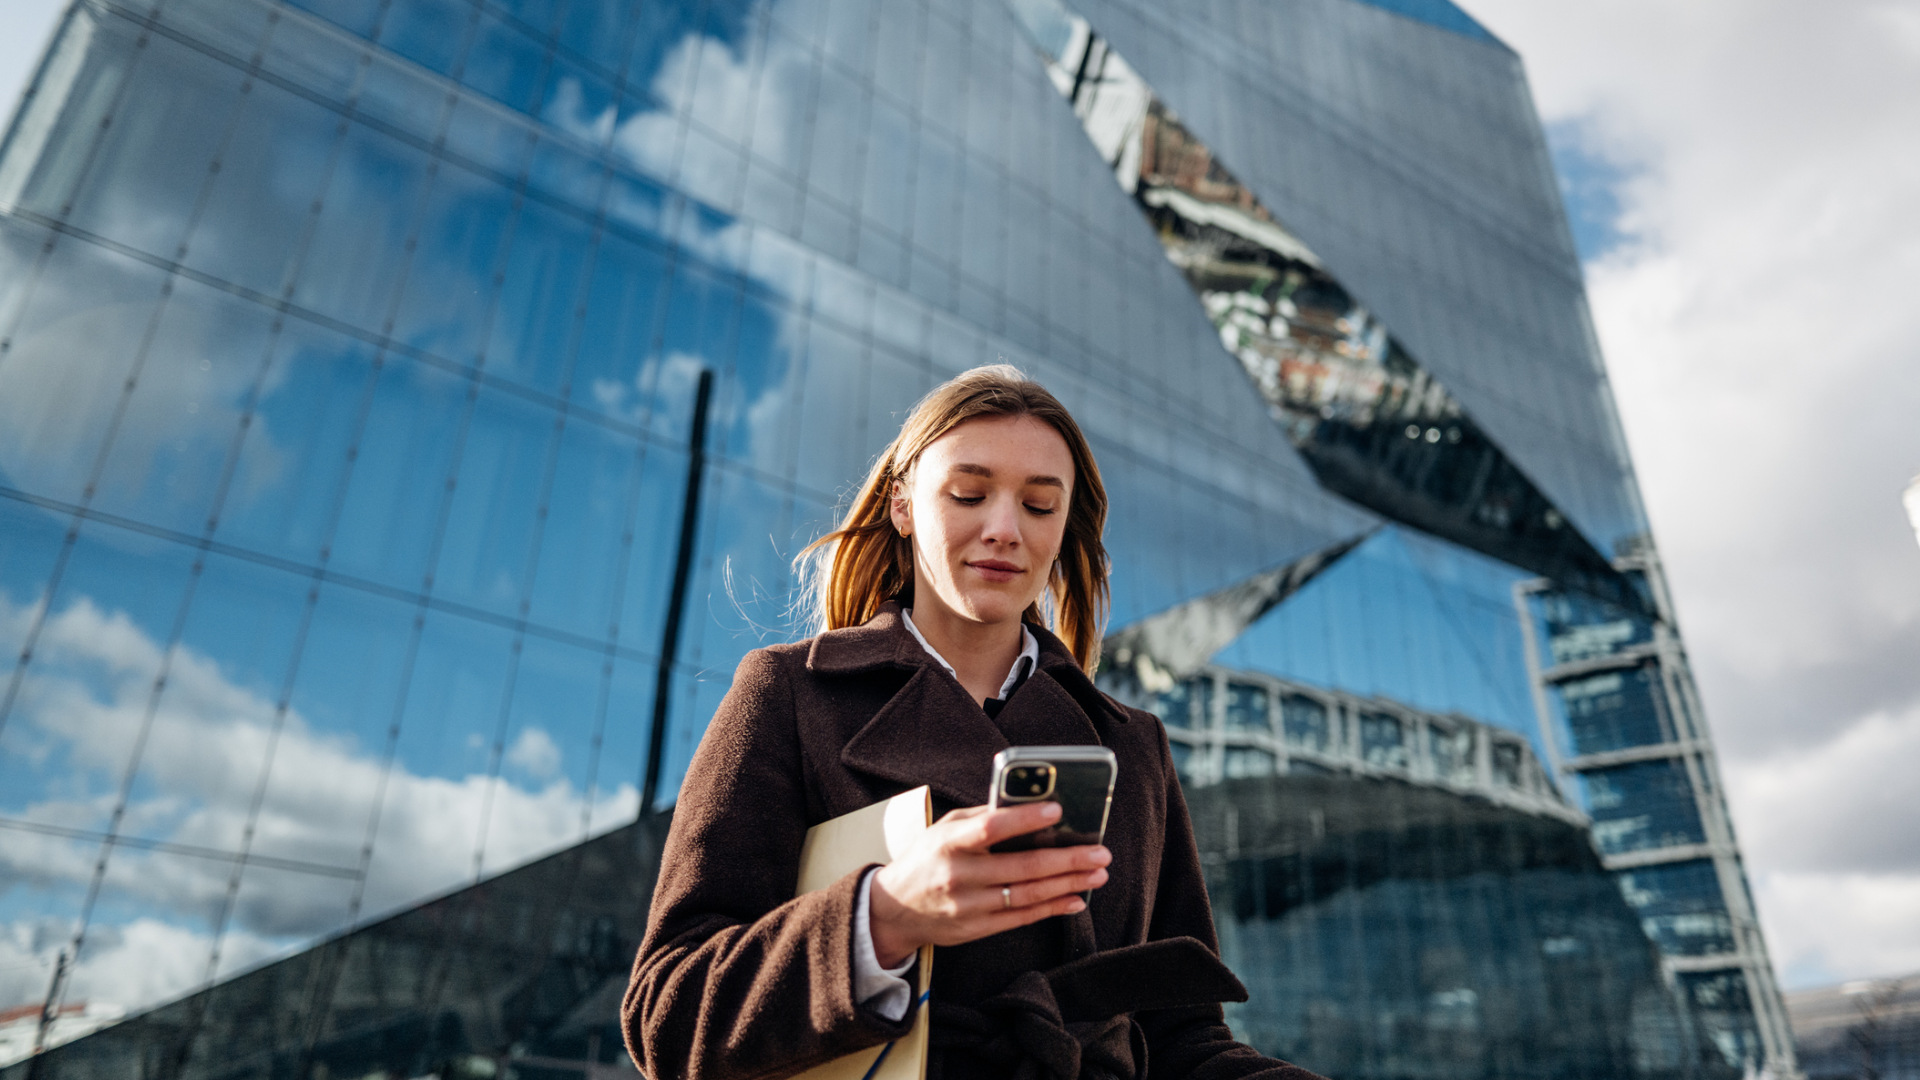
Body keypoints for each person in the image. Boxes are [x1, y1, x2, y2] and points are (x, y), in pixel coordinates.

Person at [623, 365, 1325, 1080]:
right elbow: (666, 1016)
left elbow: (1181, 1039)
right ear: (903, 506)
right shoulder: (790, 696)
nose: (1004, 530)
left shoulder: (1131, 744)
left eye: (1040, 506)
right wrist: (885, 915)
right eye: (968, 493)